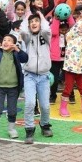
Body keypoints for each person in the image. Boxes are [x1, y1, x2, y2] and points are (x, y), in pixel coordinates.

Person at [0, 33, 27, 142]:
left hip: (13, 87)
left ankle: (11, 129)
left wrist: (18, 50)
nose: (6, 42)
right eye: (4, 40)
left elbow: (25, 58)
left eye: (9, 40)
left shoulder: (16, 54)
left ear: (14, 44)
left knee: (12, 110)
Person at [20, 12, 54, 141]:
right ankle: (29, 129)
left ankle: (45, 125)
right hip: (30, 75)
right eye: (31, 22)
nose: (34, 23)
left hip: (44, 76)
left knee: (45, 105)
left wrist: (42, 16)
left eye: (36, 21)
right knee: (29, 103)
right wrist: (27, 16)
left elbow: (46, 29)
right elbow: (23, 31)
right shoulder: (27, 37)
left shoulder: (46, 36)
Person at [59, 8, 82, 117]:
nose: (80, 20)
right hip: (71, 67)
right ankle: (63, 107)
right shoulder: (70, 34)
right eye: (78, 17)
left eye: (81, 17)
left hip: (81, 67)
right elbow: (76, 29)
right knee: (68, 88)